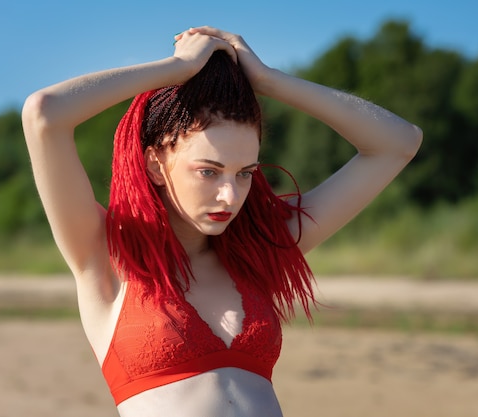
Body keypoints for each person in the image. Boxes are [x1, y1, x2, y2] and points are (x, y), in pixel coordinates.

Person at [22, 26, 422, 417]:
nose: (231, 196)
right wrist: (175, 69)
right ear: (155, 163)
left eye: (244, 173)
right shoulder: (105, 256)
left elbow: (397, 142)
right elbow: (44, 114)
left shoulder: (264, 248)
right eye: (209, 172)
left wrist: (268, 79)